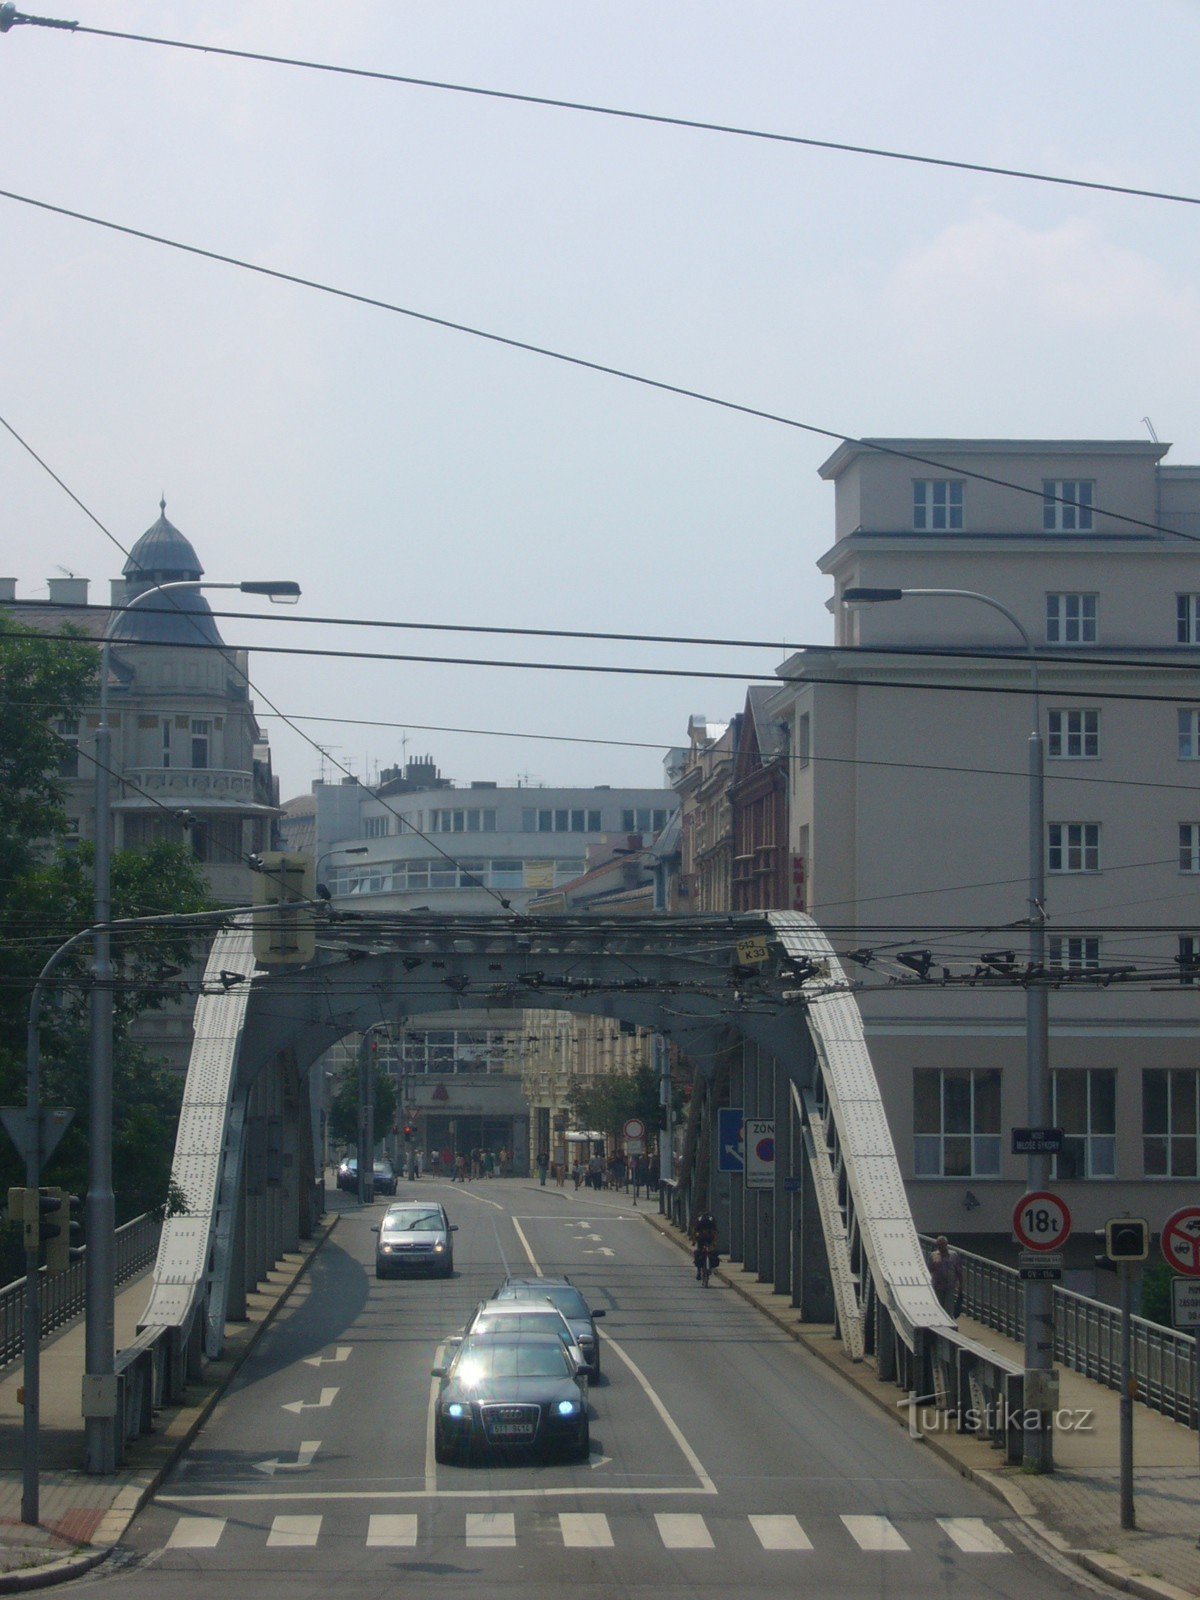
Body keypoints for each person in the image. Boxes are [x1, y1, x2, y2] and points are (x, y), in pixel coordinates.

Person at [929, 1234, 963, 1316]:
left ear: (946, 1245)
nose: (940, 1247)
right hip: (937, 1286)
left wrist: (961, 1285)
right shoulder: (933, 1255)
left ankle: (949, 1324)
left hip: (950, 1286)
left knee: (948, 1309)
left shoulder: (953, 1255)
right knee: (938, 1309)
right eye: (939, 1245)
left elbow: (959, 1271)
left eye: (942, 1245)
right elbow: (929, 1270)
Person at [691, 1211, 718, 1281]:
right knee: (711, 1252)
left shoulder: (699, 1221)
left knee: (699, 1252)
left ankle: (699, 1271)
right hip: (710, 1237)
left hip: (701, 1238)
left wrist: (693, 1241)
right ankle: (711, 1267)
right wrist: (714, 1242)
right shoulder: (711, 1221)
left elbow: (694, 1232)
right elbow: (715, 1232)